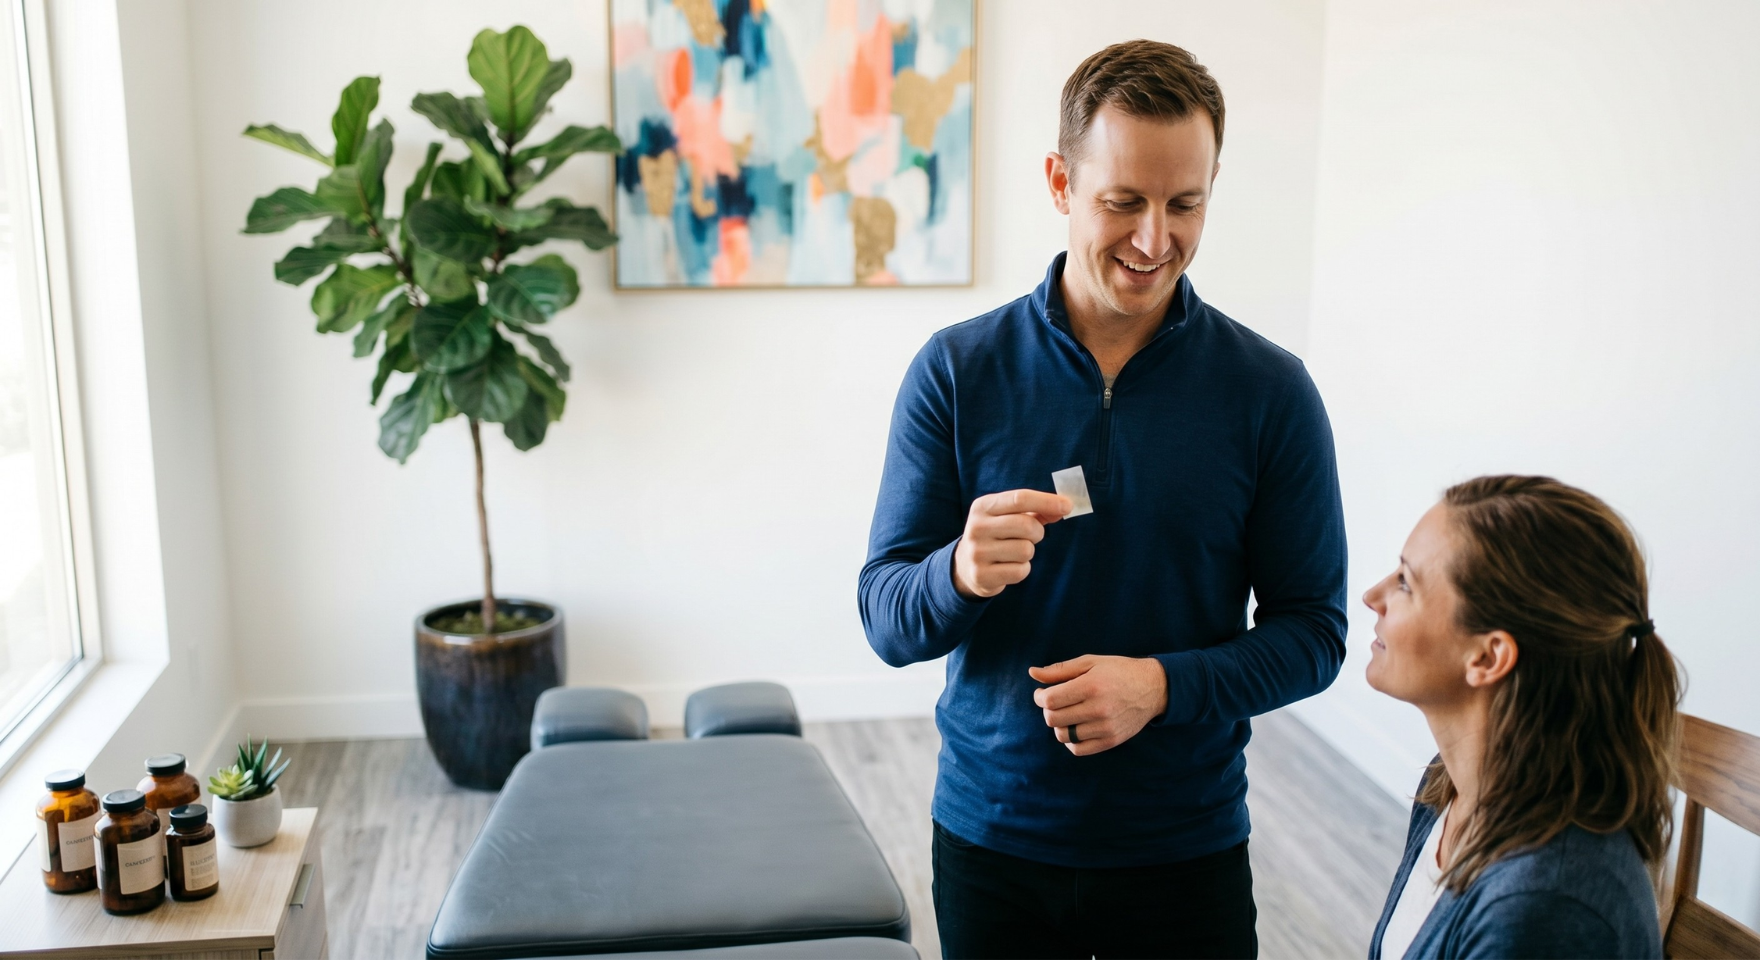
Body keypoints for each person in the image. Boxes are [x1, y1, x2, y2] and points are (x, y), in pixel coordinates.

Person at [858, 39, 1347, 959]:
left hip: (1186, 850)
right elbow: (885, 619)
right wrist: (956, 574)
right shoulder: (957, 373)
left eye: (1185, 203)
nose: (1155, 239)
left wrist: (1161, 687)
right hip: (991, 842)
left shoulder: (1271, 394)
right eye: (1123, 201)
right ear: (1059, 182)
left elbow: (1314, 635)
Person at [1363, 475, 1677, 959]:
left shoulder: (1545, 906)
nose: (1373, 595)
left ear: (1488, 658)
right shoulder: (1448, 784)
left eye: (1406, 582)